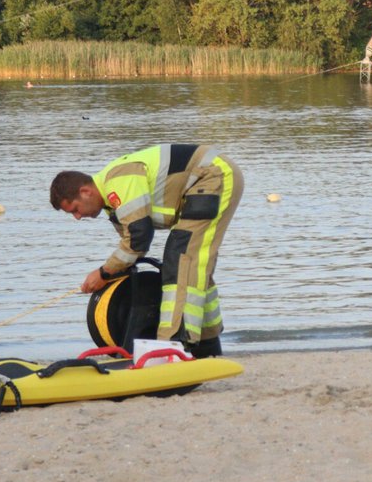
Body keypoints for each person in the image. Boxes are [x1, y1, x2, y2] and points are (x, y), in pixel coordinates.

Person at [50, 144, 243, 357]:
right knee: (193, 266)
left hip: (212, 175)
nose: (77, 217)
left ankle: (173, 346)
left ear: (85, 192)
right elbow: (132, 249)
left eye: (75, 209)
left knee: (180, 259)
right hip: (208, 177)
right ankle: (208, 346)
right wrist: (109, 273)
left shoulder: (118, 181)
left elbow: (139, 237)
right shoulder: (111, 206)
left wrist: (104, 272)